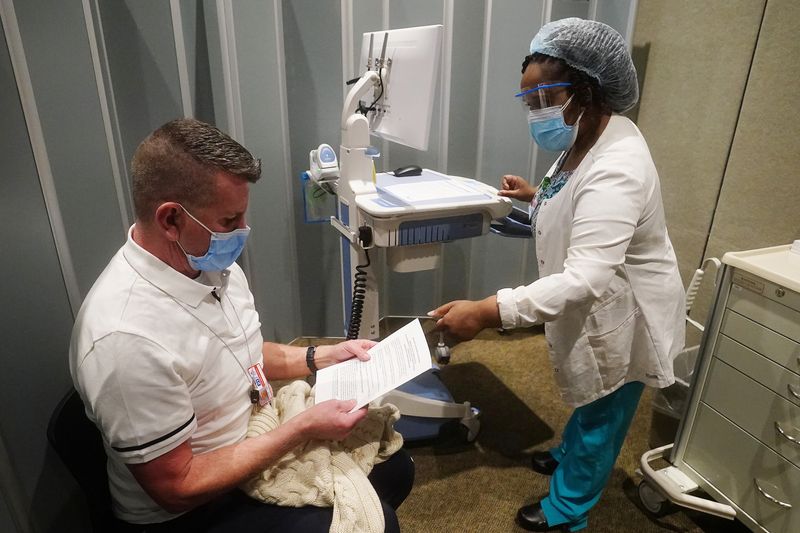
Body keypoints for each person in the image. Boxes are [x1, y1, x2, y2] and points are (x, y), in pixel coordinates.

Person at [69, 118, 414, 532]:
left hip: (252, 437)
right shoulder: (126, 339)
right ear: (170, 220)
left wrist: (322, 356)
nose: (242, 232)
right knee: (378, 524)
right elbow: (177, 486)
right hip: (191, 510)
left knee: (396, 470)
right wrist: (303, 427)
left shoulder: (204, 264)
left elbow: (238, 353)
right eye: (229, 222)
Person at [430, 18, 685, 532]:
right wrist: (534, 196)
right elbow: (572, 198)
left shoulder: (619, 165)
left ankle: (566, 512)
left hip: (627, 316)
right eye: (527, 101)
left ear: (585, 91)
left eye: (541, 100)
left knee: (602, 417)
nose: (533, 113)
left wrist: (488, 311)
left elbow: (586, 276)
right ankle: (567, 454)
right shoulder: (583, 137)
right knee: (588, 399)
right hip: (596, 303)